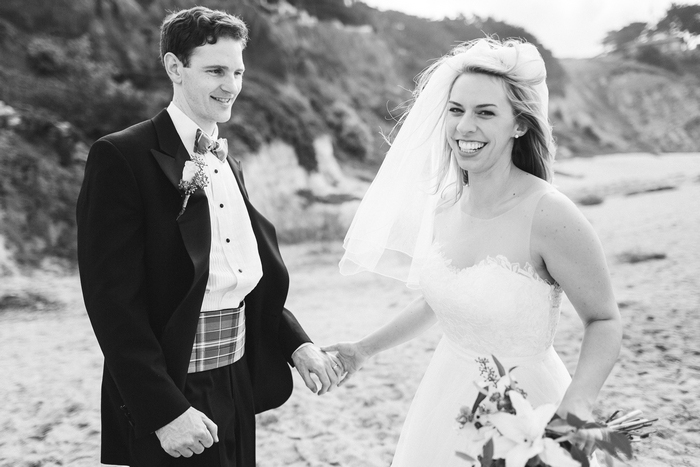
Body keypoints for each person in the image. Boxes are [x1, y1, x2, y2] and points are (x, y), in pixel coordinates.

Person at [325, 38, 622, 466]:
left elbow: (605, 321)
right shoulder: (446, 206)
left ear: (519, 125)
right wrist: (363, 349)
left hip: (528, 409)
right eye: (456, 110)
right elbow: (440, 299)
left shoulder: (550, 215)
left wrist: (574, 411)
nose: (465, 126)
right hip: (444, 398)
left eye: (485, 113)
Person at [76, 7, 342, 467]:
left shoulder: (227, 161)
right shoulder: (121, 156)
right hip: (174, 387)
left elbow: (238, 275)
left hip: (237, 378)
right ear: (175, 68)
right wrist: (164, 410)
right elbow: (111, 302)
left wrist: (296, 342)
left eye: (238, 71)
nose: (231, 85)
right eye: (215, 70)